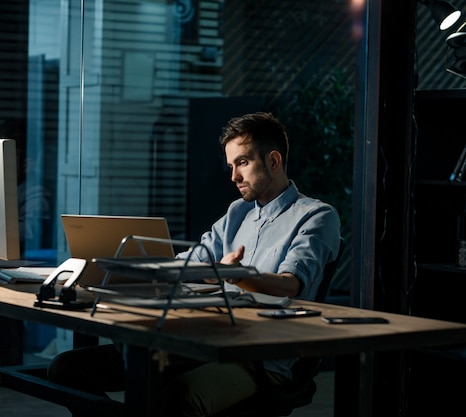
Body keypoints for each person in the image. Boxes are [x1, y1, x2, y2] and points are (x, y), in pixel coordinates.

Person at [47, 112, 341, 417]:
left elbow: (290, 283)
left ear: (274, 161)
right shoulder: (238, 212)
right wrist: (124, 271)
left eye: (242, 163)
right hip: (200, 343)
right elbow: (190, 261)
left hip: (258, 360)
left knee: (176, 397)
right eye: (231, 166)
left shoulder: (316, 216)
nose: (233, 177)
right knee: (66, 370)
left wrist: (234, 274)